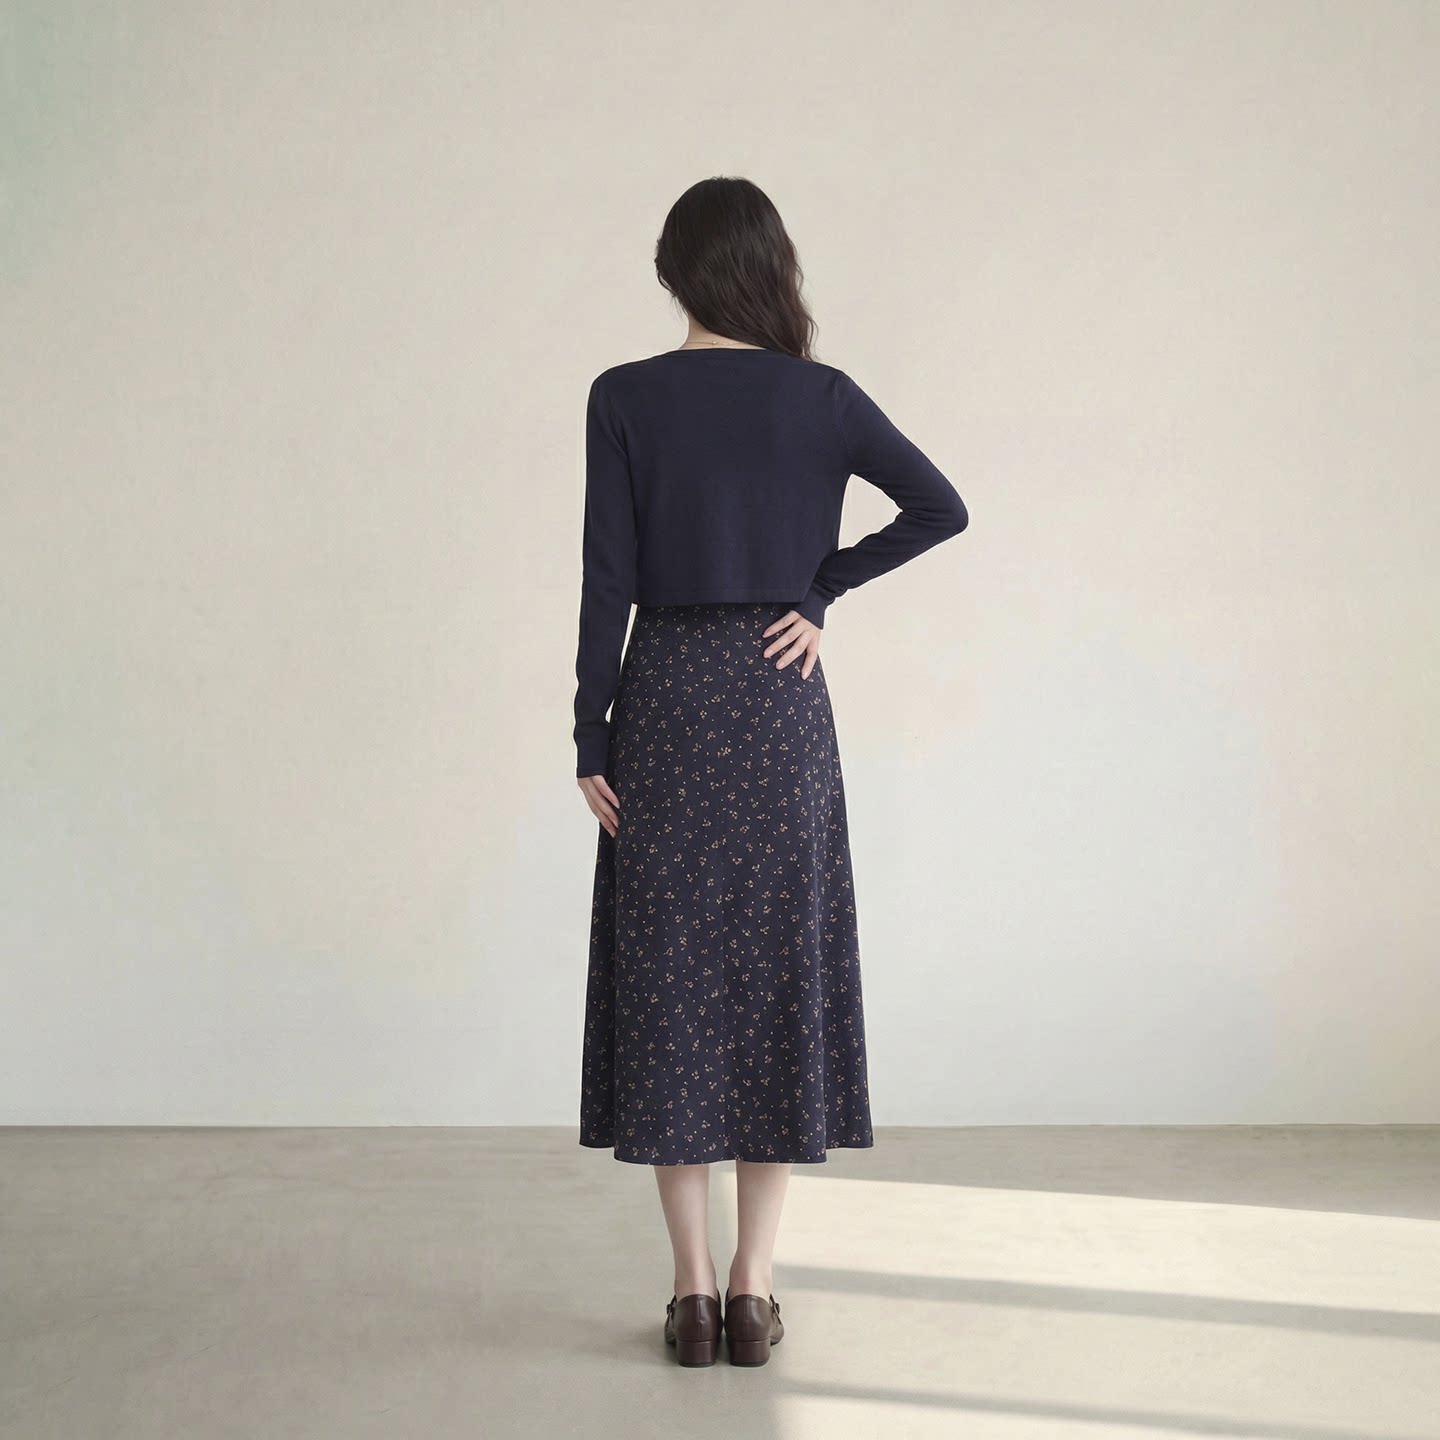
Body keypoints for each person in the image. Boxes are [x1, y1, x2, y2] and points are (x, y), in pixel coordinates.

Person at [571, 175, 969, 1367]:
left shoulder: (625, 396)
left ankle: (690, 1293)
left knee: (671, 987)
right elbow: (940, 507)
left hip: (665, 700)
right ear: (770, 268)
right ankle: (754, 1289)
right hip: (777, 700)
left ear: (674, 271)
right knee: (773, 978)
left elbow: (605, 578)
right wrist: (817, 592)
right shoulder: (821, 397)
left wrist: (591, 732)